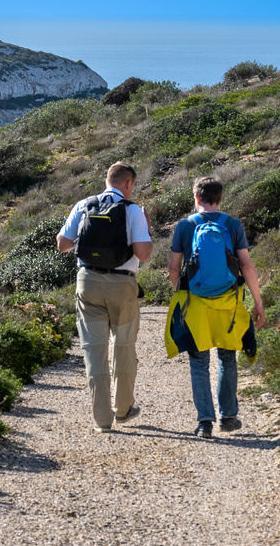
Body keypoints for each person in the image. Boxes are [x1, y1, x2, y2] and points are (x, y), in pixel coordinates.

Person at [166, 176, 266, 440]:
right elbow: (246, 265)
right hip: (228, 301)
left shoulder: (185, 226)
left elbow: (174, 269)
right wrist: (257, 301)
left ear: (196, 198)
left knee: (199, 362)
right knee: (227, 357)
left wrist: (182, 297)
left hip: (197, 303)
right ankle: (229, 416)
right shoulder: (232, 225)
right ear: (220, 199)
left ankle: (205, 423)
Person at [57, 161, 153, 432]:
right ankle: (123, 410)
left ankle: (102, 420)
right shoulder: (132, 210)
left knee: (94, 350)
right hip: (122, 286)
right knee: (123, 347)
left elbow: (63, 245)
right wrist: (145, 227)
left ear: (107, 180)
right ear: (128, 184)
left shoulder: (84, 205)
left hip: (88, 283)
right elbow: (143, 254)